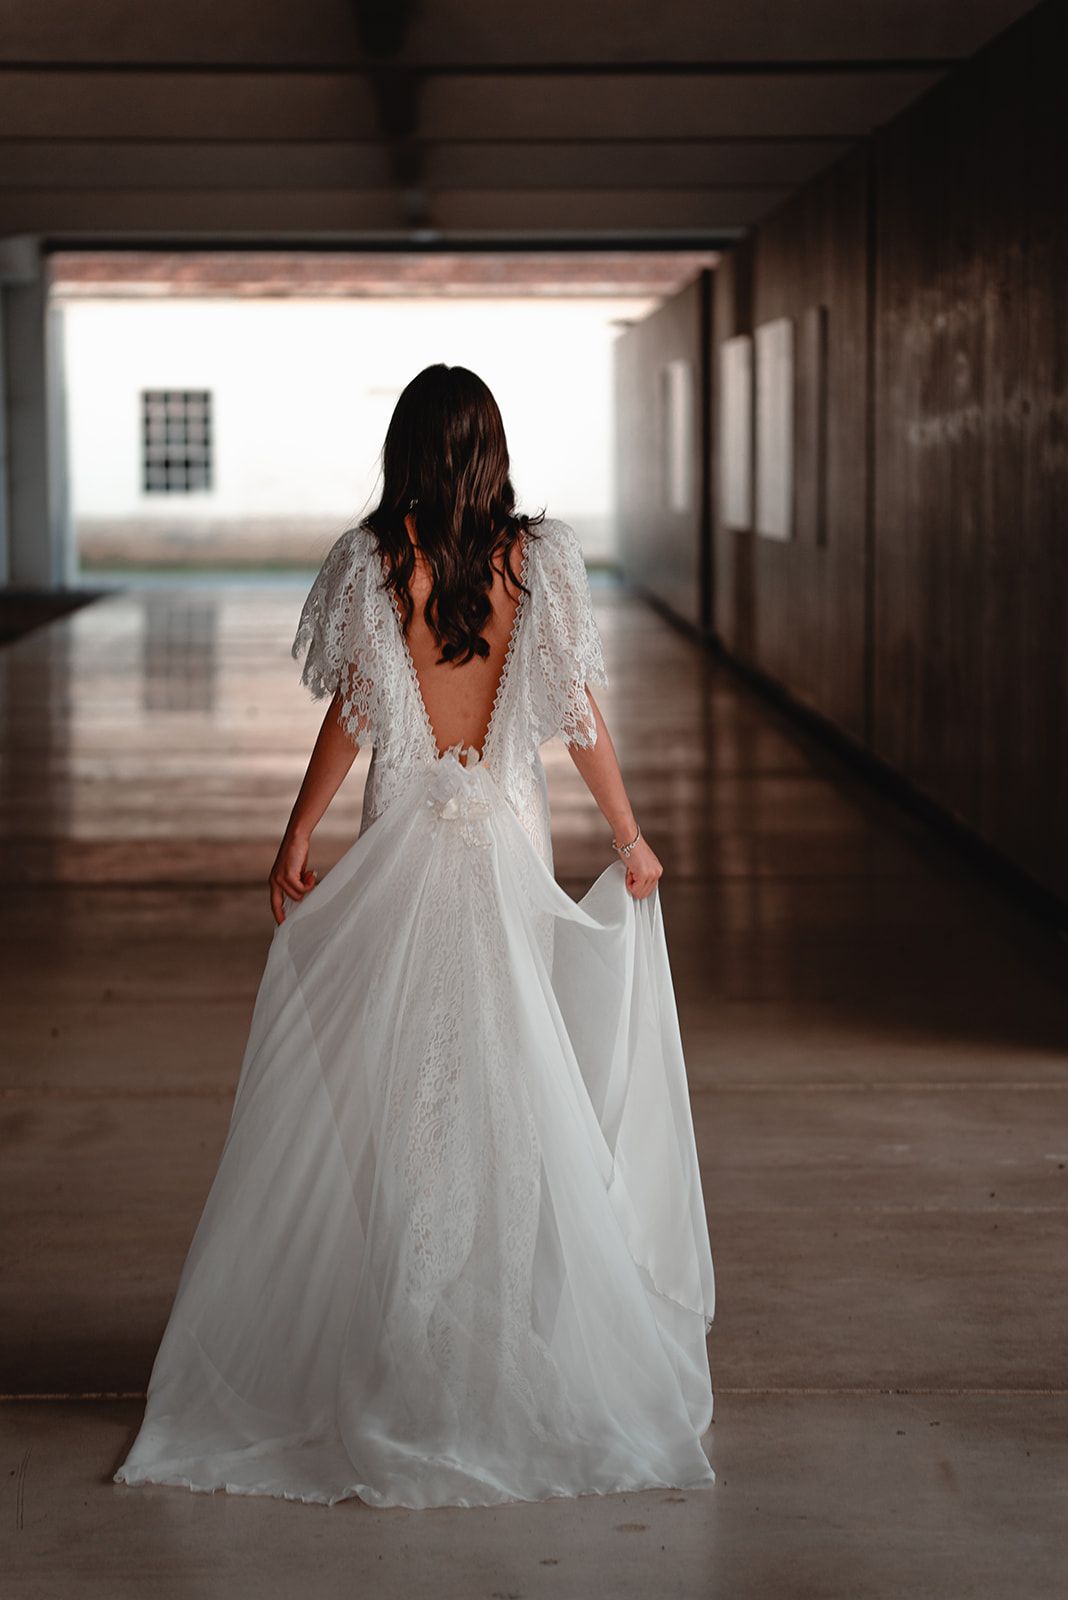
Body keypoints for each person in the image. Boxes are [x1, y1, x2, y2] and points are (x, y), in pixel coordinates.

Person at [113, 363, 716, 1510]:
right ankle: (492, 1343)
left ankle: (412, 1341)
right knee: (511, 1094)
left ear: (406, 451)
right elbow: (576, 711)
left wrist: (297, 831)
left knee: (405, 1100)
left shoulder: (373, 565)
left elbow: (355, 710)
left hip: (402, 856)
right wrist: (630, 839)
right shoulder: (537, 566)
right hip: (504, 859)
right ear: (491, 452)